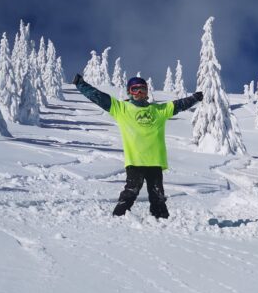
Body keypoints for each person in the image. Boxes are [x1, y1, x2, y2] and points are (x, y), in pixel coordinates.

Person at [72, 74, 202, 218]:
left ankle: (162, 222)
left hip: (155, 161)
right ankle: (118, 218)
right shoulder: (121, 108)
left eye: (142, 90)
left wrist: (194, 98)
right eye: (135, 90)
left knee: (158, 195)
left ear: (147, 92)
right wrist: (81, 84)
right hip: (135, 161)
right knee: (131, 191)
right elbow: (99, 97)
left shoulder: (159, 110)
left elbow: (179, 105)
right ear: (129, 92)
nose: (139, 93)